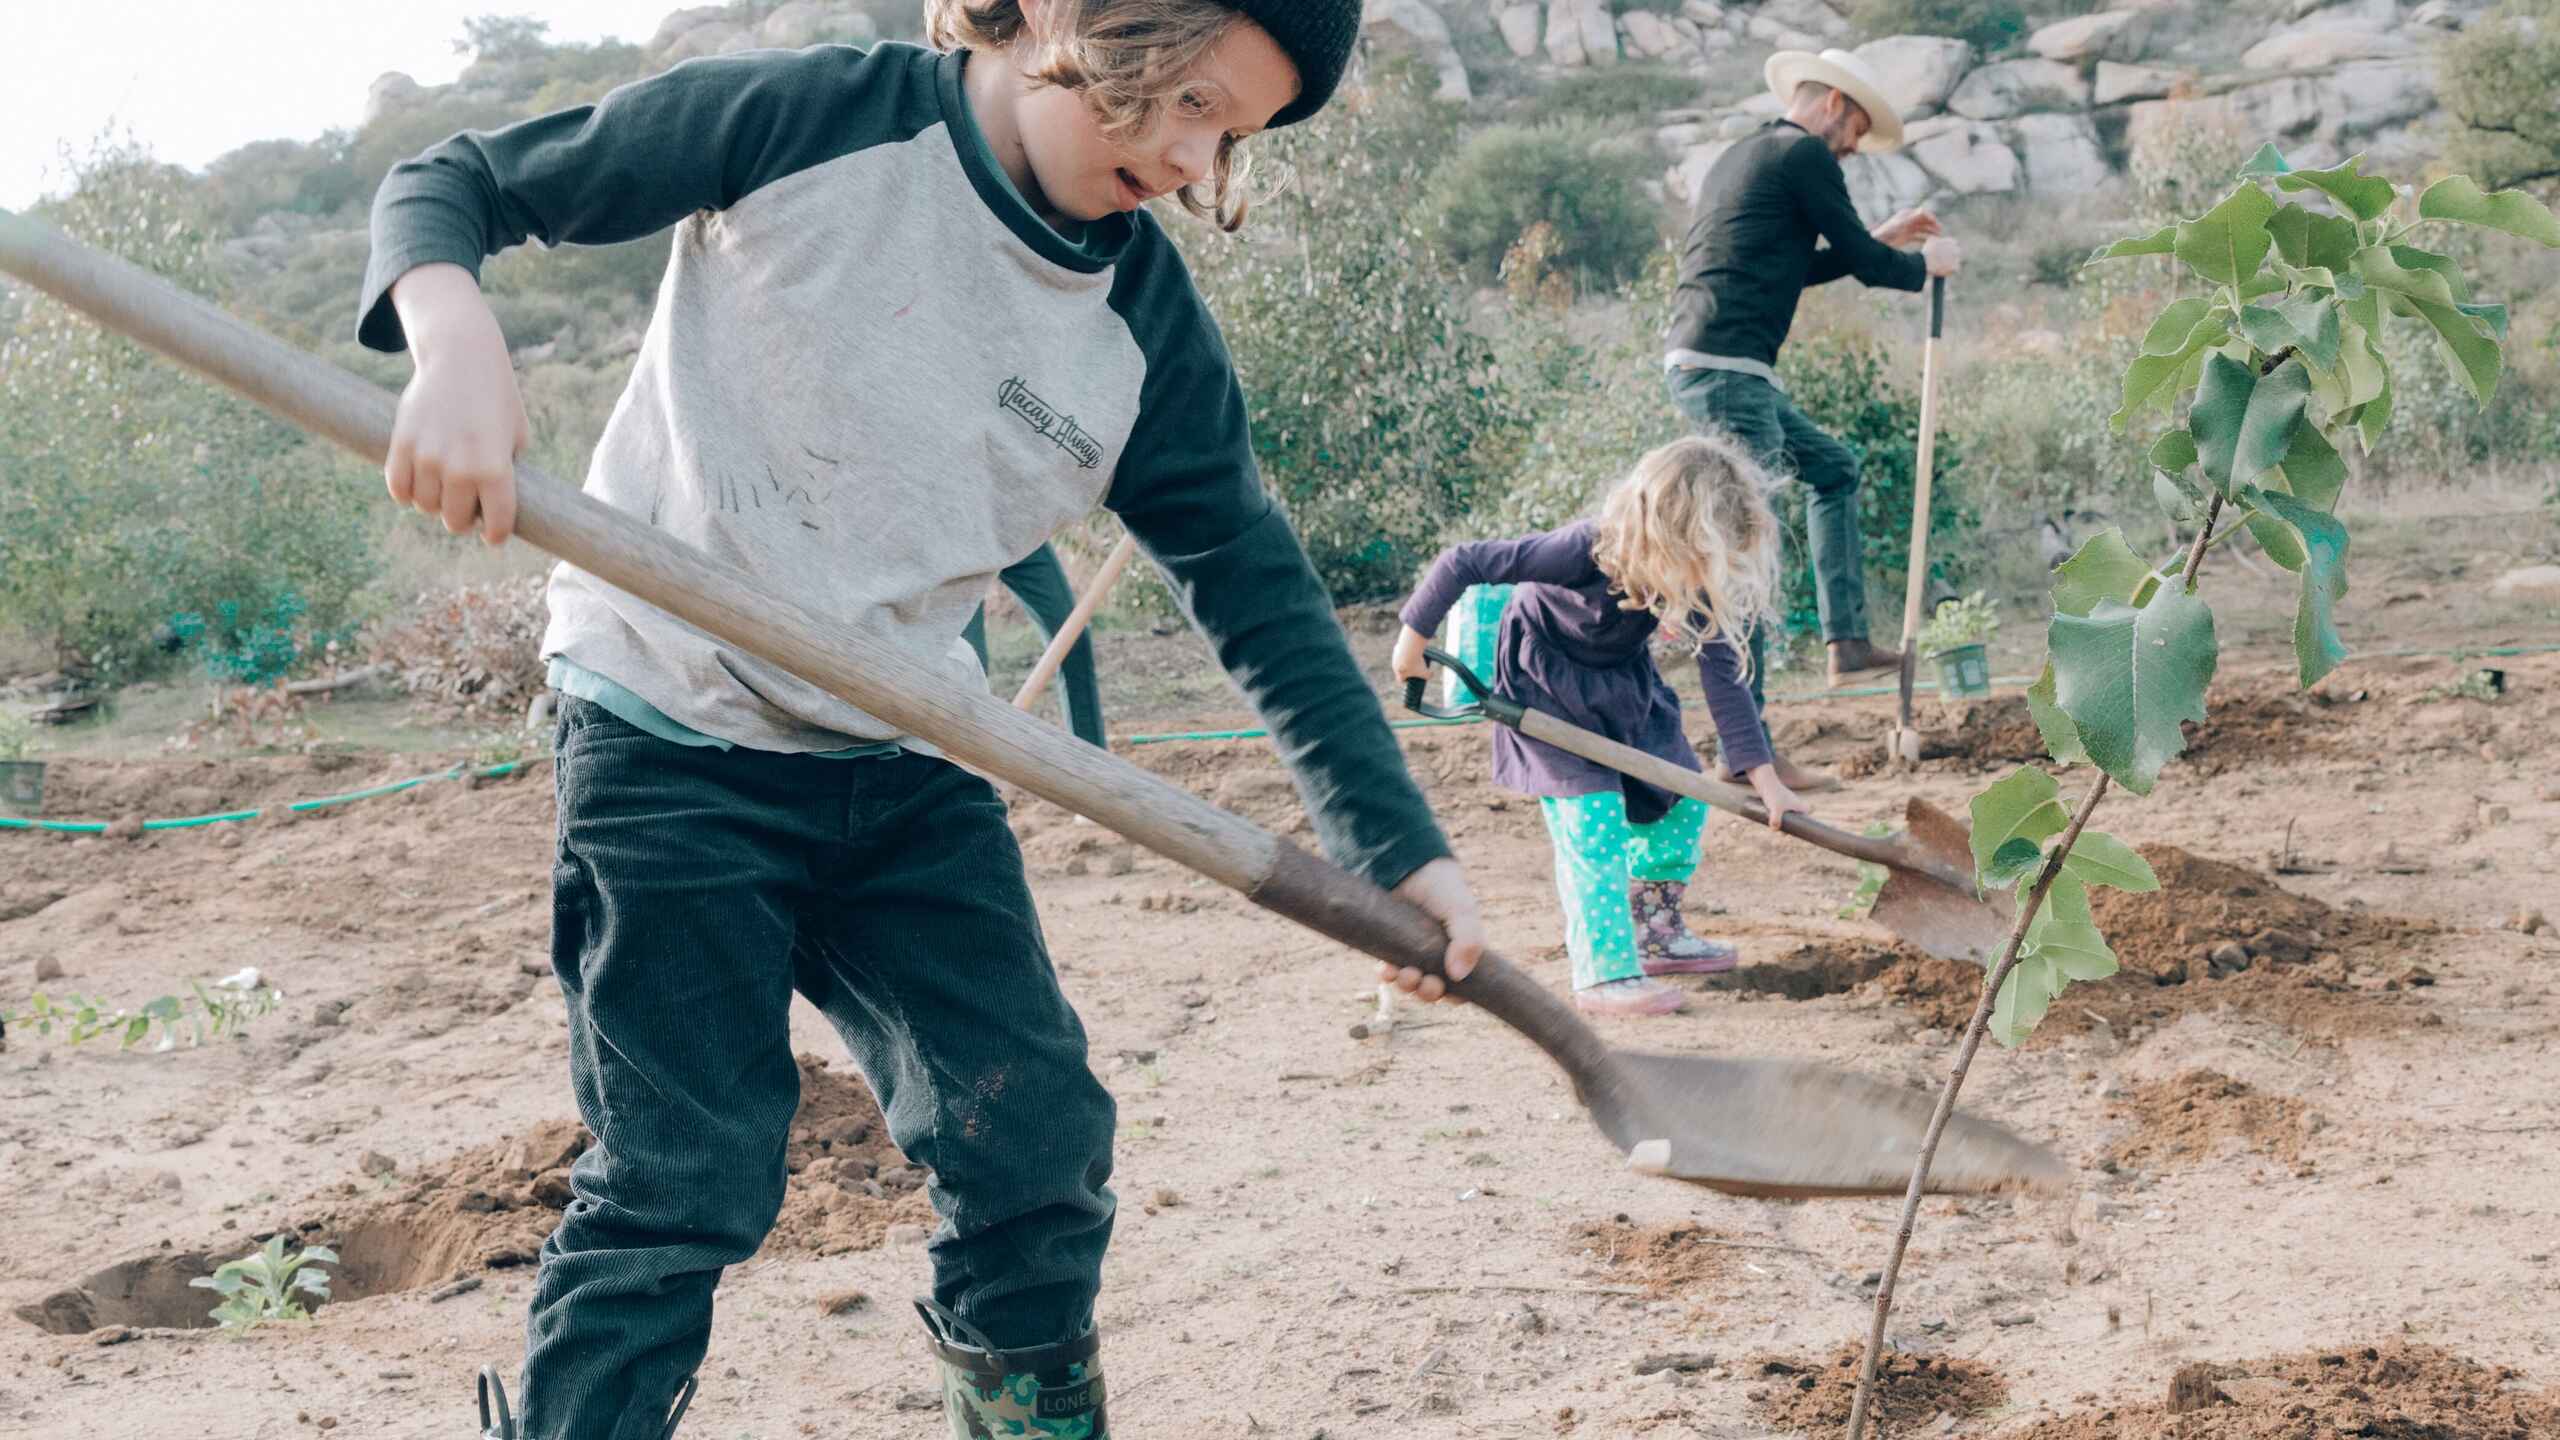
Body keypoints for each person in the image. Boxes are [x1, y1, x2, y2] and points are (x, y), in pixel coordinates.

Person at [359, 4, 1488, 1435]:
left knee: (1035, 1143)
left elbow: (1255, 589)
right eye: (1188, 99)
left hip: (901, 758)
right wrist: (453, 340)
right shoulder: (816, 120)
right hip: (666, 727)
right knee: (683, 1174)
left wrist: (1393, 846)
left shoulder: (1138, 323)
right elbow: (450, 182)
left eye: (1235, 135)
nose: (1199, 162)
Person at [1387, 433, 1800, 1018]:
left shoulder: (1685, 574)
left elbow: (1724, 676)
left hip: (1622, 689)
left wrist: (1765, 778)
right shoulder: (1581, 549)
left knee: (1683, 797)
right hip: (1544, 692)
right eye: (1702, 558)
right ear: (1669, 533)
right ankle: (1603, 974)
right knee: (1594, 824)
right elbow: (1464, 561)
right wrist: (1413, 644)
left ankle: (1655, 929)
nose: (1706, 575)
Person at [1664, 46, 1963, 780]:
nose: (1857, 144)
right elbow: (1863, 264)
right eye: (1859, 126)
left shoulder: (1753, 152)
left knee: (1833, 469)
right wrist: (1926, 266)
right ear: (1833, 102)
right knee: (1748, 549)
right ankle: (1747, 750)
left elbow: (1805, 264)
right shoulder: (1804, 156)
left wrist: (1886, 240)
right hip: (1728, 372)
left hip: (1725, 369)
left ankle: (1846, 643)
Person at [963, 543, 1107, 746]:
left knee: (1071, 639)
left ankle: (1091, 755)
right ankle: (954, 767)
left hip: (1017, 531)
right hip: (961, 539)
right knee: (969, 664)